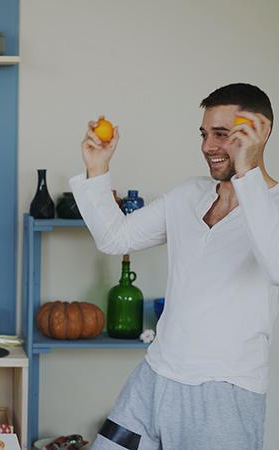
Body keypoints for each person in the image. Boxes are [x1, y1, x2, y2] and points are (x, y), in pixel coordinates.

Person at [71, 83, 276, 450]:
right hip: (155, 376)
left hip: (223, 391)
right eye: (204, 134)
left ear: (259, 132)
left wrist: (247, 175)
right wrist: (98, 169)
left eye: (222, 134)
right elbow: (116, 238)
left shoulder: (272, 205)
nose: (207, 146)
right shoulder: (188, 194)